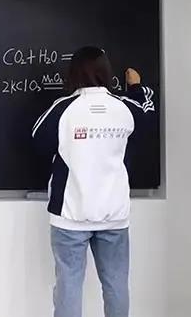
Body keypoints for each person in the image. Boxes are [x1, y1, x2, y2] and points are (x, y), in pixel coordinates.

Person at [32, 46, 155, 317]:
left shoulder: (63, 109)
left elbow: (38, 139)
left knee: (68, 287)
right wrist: (136, 87)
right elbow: (148, 116)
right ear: (106, 71)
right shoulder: (124, 108)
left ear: (73, 73)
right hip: (114, 215)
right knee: (116, 285)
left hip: (70, 214)